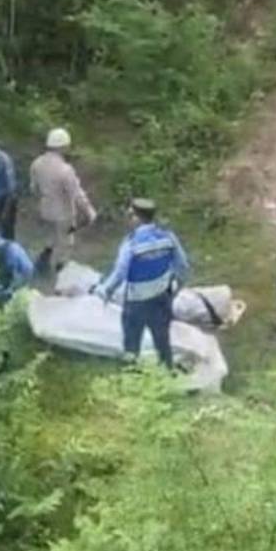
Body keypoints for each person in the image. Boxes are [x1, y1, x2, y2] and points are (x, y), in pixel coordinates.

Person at [92, 198, 190, 369]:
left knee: (132, 343)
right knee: (162, 340)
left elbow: (120, 272)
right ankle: (167, 372)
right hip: (162, 298)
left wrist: (105, 291)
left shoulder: (131, 243)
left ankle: (132, 376)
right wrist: (176, 288)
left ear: (136, 218)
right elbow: (183, 265)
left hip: (137, 302)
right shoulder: (168, 237)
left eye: (130, 215)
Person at [29, 127, 97, 275]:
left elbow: (33, 188)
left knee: (49, 239)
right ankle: (60, 273)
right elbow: (77, 194)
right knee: (65, 244)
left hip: (45, 210)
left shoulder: (36, 163)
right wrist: (89, 212)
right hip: (63, 214)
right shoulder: (65, 170)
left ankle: (41, 267)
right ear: (63, 146)